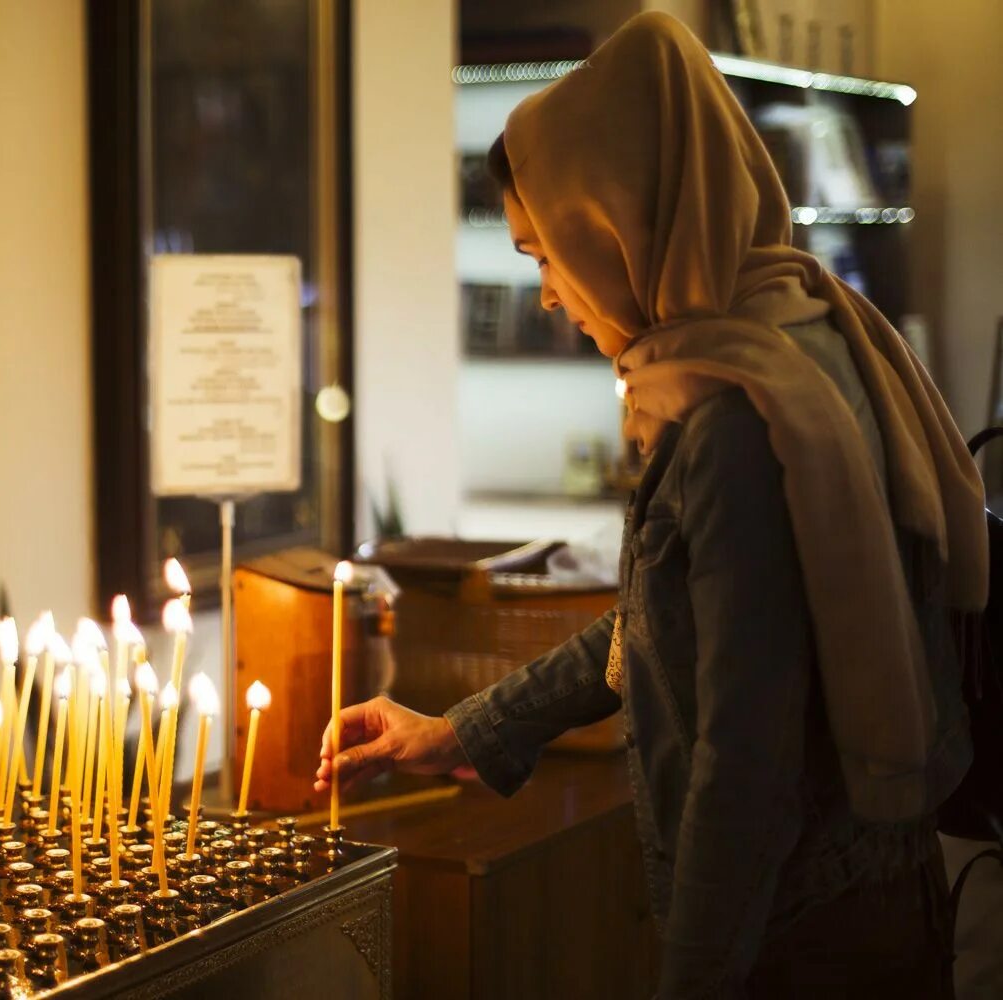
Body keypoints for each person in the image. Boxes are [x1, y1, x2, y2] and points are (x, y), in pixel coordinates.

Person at [317, 13, 985, 998]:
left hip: (798, 944)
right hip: (869, 902)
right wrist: (459, 729)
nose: (545, 293)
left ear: (615, 226)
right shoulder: (797, 333)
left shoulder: (738, 422)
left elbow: (742, 764)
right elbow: (662, 622)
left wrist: (692, 975)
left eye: (544, 253)